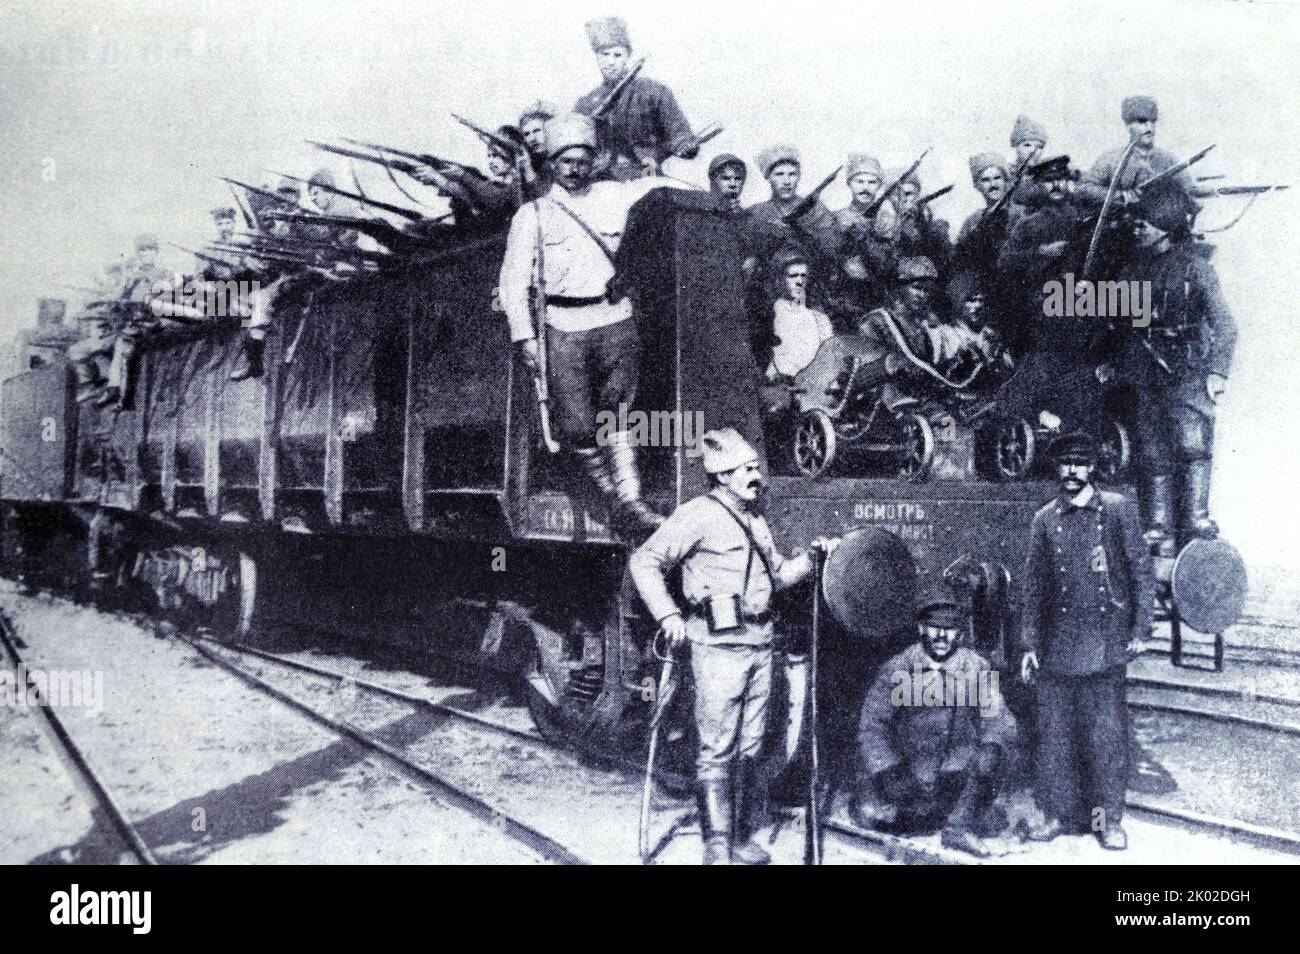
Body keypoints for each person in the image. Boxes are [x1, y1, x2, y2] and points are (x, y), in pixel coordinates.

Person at [628, 427, 838, 864]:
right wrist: (668, 615)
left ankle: (739, 836)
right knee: (717, 746)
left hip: (762, 644)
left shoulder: (756, 520)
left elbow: (778, 576)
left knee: (751, 745)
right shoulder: (697, 516)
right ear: (721, 475)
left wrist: (815, 558)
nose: (756, 475)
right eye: (746, 469)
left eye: (757, 467)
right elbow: (644, 560)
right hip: (718, 647)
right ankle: (716, 846)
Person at [497, 112, 683, 536]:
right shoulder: (534, 214)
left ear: (594, 161)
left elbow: (662, 187)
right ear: (552, 165)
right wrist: (525, 337)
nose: (575, 168)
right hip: (562, 325)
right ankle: (612, 497)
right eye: (566, 161)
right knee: (578, 426)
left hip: (615, 318)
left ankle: (631, 500)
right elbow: (512, 283)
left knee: (620, 415)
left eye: (583, 159)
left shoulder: (614, 196)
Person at [1019, 431, 1154, 851]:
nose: (1072, 472)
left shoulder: (1114, 510)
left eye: (1080, 464)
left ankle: (1107, 821)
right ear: (1057, 468)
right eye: (1066, 464)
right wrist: (1029, 644)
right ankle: (1058, 816)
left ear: (1092, 468)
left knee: (1105, 741)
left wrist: (1140, 630)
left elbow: (1140, 573)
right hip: (1058, 648)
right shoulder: (1045, 519)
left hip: (1103, 646)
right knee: (1056, 740)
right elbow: (1034, 587)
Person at [1106, 201, 1237, 550]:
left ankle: (1196, 517)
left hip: (1188, 367)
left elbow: (1225, 325)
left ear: (1165, 227)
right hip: (1144, 368)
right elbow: (1117, 323)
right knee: (1152, 450)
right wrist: (1110, 360)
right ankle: (1159, 526)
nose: (1138, 230)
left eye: (1145, 224)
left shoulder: (1196, 267)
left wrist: (1217, 370)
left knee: (1192, 444)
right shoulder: (1131, 271)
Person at [853, 581, 1017, 856]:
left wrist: (991, 745)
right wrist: (888, 768)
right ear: (920, 629)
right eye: (933, 626)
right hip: (907, 776)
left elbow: (999, 717)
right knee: (883, 818)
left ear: (961, 633)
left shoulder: (975, 667)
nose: (941, 636)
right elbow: (871, 726)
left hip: (955, 774)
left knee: (993, 755)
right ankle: (929, 816)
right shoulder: (899, 667)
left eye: (950, 628)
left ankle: (957, 826)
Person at [573, 16, 700, 180]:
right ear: (596, 56)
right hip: (601, 182)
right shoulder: (585, 104)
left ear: (627, 56)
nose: (610, 61)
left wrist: (685, 144)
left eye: (617, 55)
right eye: (604, 54)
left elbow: (679, 135)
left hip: (647, 175)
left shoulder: (654, 92)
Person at [1077, 96, 1209, 225]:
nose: (1149, 128)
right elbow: (1084, 188)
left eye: (1153, 122)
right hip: (1128, 234)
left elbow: (1189, 188)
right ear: (1128, 126)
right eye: (1142, 122)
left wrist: (1215, 192)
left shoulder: (1169, 159)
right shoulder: (1111, 159)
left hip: (1169, 234)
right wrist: (1121, 196)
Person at [745, 144, 842, 271]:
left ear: (799, 177)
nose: (786, 181)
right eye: (779, 174)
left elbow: (833, 249)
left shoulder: (817, 210)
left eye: (792, 174)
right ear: (768, 177)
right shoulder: (755, 213)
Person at [834, 153, 897, 313]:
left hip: (878, 296)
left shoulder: (887, 221)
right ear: (850, 184)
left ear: (878, 186)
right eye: (859, 181)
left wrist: (865, 236)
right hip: (845, 295)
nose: (865, 187)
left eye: (872, 182)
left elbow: (888, 264)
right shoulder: (837, 218)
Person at [766, 248, 834, 380]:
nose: (799, 281)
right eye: (793, 276)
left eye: (803, 276)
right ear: (779, 280)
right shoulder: (770, 314)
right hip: (779, 385)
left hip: (814, 388)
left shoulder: (820, 319)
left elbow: (830, 360)